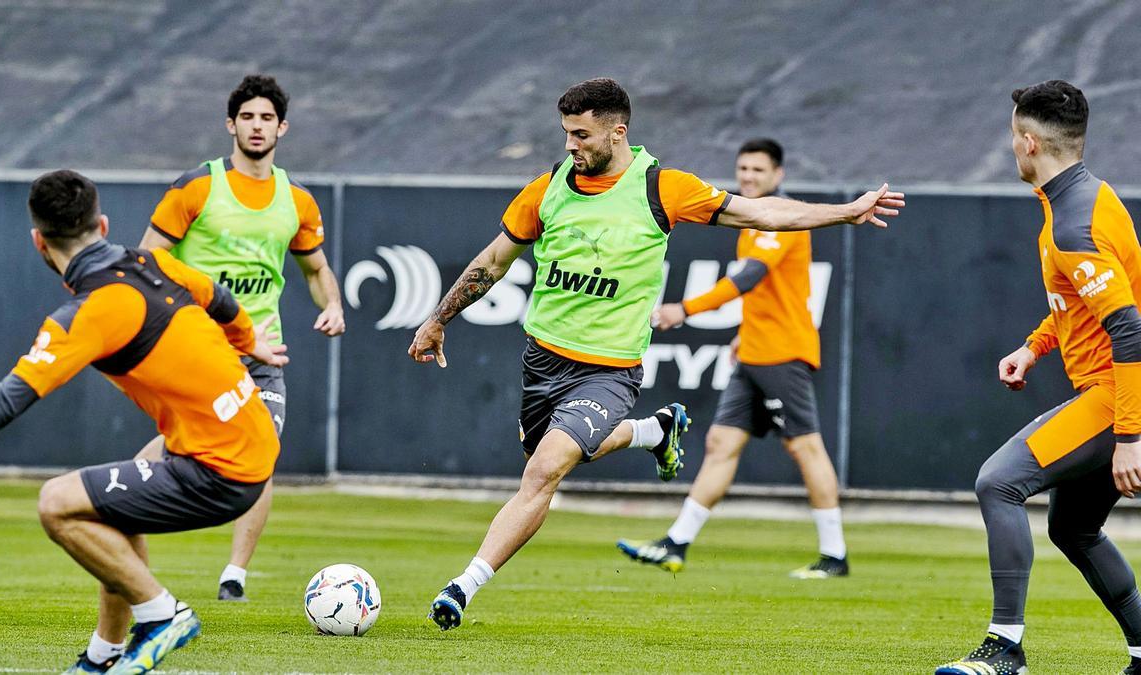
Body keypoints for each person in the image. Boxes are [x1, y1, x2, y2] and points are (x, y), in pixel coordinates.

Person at [407, 77, 903, 631]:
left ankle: (462, 586)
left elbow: (764, 214)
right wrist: (437, 319)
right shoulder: (545, 189)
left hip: (610, 370)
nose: (570, 145)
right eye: (566, 134)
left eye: (581, 135)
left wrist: (844, 211)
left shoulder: (662, 188)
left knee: (545, 471)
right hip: (543, 362)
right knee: (554, 455)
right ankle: (653, 432)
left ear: (618, 132)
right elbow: (493, 262)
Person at [0, 170, 285, 673]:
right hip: (249, 441)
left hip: (221, 469)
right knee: (110, 507)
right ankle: (102, 657)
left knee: (57, 503)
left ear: (39, 242)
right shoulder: (157, 263)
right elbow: (220, 297)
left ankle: (162, 614)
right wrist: (246, 341)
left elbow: (7, 401)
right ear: (102, 224)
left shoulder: (91, 312)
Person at [936, 80, 1141, 675]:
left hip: (1116, 396)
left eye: (1011, 140)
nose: (1011, 151)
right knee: (1073, 527)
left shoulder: (1074, 222)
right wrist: (1034, 346)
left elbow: (1128, 330)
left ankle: (1005, 649)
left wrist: (1129, 436)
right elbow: (1080, 303)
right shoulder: (1085, 197)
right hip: (1111, 390)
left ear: (1029, 142)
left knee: (998, 482)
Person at [136, 74, 345, 602]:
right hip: (198, 349)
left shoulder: (296, 200)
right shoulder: (198, 187)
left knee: (262, 449)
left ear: (282, 127)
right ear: (231, 125)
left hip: (262, 350)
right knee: (185, 443)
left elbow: (316, 269)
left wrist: (334, 306)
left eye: (266, 118)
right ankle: (121, 505)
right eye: (247, 117)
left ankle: (235, 575)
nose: (257, 126)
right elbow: (149, 260)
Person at [616, 138, 849, 579]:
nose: (748, 177)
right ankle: (676, 543)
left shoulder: (781, 221)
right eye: (743, 169)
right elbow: (763, 293)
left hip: (783, 354)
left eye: (758, 171)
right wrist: (743, 335)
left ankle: (835, 555)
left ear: (778, 176)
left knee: (806, 449)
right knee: (720, 445)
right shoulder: (750, 222)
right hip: (754, 353)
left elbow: (748, 278)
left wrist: (684, 309)